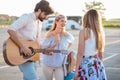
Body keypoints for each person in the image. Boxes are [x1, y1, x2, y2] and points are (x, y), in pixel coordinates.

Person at [7, 0, 55, 80]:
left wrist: (44, 51)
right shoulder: (27, 17)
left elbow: (35, 43)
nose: (46, 17)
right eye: (45, 14)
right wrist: (23, 47)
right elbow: (10, 29)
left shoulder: (39, 23)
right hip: (21, 55)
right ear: (39, 10)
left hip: (32, 57)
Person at [74, 9, 107, 80]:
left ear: (86, 18)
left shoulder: (84, 31)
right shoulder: (99, 32)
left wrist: (76, 70)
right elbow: (101, 54)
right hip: (97, 63)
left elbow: (80, 53)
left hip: (86, 64)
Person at [41, 14, 74, 80]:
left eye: (65, 21)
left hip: (60, 66)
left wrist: (64, 51)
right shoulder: (49, 34)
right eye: (62, 21)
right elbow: (43, 51)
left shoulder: (67, 35)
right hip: (48, 64)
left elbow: (70, 43)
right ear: (56, 21)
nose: (64, 23)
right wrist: (55, 44)